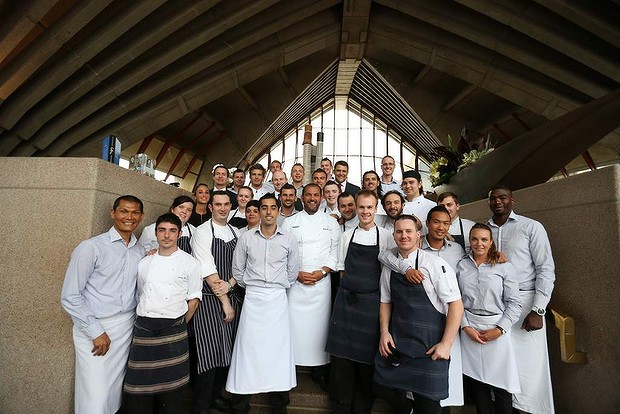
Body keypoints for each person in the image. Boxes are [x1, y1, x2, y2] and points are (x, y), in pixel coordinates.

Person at [61, 195, 145, 414]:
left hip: (126, 328)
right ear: (113, 213)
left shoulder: (140, 251)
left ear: (141, 217)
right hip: (95, 329)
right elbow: (70, 295)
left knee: (113, 393)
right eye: (124, 211)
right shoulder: (91, 247)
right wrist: (95, 331)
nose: (129, 217)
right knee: (95, 395)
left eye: (135, 212)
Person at [379, 206, 466, 409]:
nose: (404, 236)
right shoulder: (389, 266)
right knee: (394, 397)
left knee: (428, 405)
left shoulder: (435, 264)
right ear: (393, 235)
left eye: (409, 231)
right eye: (399, 232)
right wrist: (384, 332)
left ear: (419, 235)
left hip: (429, 347)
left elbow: (456, 304)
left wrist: (446, 343)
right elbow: (385, 301)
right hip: (400, 344)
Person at [226, 194, 300, 414]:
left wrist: (277, 287)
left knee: (278, 352)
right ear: (258, 211)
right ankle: (240, 405)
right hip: (253, 299)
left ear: (278, 211)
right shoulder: (246, 238)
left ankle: (279, 406)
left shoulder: (289, 239)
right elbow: (237, 271)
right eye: (264, 208)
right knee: (247, 351)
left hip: (277, 299)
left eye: (272, 208)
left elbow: (293, 271)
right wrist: (253, 288)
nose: (268, 212)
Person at [123, 213, 202, 413]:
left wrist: (179, 323)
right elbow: (141, 293)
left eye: (172, 231)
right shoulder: (144, 262)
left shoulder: (190, 263)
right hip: (144, 328)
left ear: (179, 234)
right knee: (138, 389)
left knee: (172, 392)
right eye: (162, 230)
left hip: (173, 330)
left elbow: (194, 299)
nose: (167, 235)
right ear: (155, 233)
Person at [487, 185, 555, 414]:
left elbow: (545, 269)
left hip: (526, 302)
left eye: (503, 197)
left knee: (529, 366)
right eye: (493, 198)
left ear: (512, 201)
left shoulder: (531, 227)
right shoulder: (483, 231)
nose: (498, 202)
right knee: (501, 366)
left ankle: (529, 410)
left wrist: (538, 310)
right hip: (495, 305)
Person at [325, 190, 395, 414]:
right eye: (361, 207)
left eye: (369, 207)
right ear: (356, 208)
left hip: (372, 304)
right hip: (346, 303)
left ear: (376, 209)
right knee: (341, 361)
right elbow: (342, 272)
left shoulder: (385, 237)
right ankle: (340, 407)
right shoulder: (346, 236)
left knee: (366, 362)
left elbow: (387, 273)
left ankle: (362, 408)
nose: (365, 212)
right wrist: (350, 292)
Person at [456, 223, 522, 414]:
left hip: (496, 327)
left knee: (502, 385)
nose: (479, 243)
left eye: (484, 239)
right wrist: (465, 327)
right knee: (478, 384)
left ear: (491, 242)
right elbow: (456, 299)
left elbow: (514, 303)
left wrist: (499, 330)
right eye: (475, 239)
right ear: (470, 240)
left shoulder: (504, 267)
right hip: (470, 328)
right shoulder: (461, 265)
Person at [282, 183, 341, 390]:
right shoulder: (290, 222)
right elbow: (284, 252)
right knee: (293, 326)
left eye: (316, 195)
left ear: (322, 198)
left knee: (319, 328)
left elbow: (335, 252)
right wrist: (296, 273)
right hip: (296, 282)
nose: (312, 198)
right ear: (302, 197)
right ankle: (291, 369)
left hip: (321, 282)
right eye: (308, 195)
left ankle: (320, 370)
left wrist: (323, 271)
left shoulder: (331, 223)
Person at [190, 191, 244, 414]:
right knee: (208, 354)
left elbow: (242, 265)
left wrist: (230, 285)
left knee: (226, 352)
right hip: (210, 300)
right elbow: (207, 268)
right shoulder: (202, 232)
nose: (222, 208)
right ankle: (201, 405)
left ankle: (214, 397)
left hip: (231, 293)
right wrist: (224, 300)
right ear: (210, 207)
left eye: (226, 204)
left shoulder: (236, 232)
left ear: (231, 207)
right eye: (218, 204)